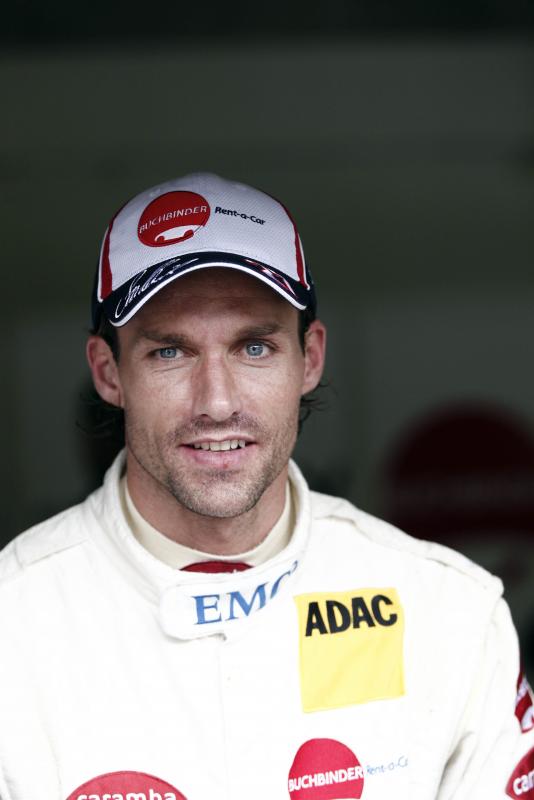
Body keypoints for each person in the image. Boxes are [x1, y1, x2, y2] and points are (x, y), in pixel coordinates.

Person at [0, 172, 532, 800]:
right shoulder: (15, 623)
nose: (216, 402)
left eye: (254, 347)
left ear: (310, 359)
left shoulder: (451, 613)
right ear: (108, 372)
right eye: (169, 352)